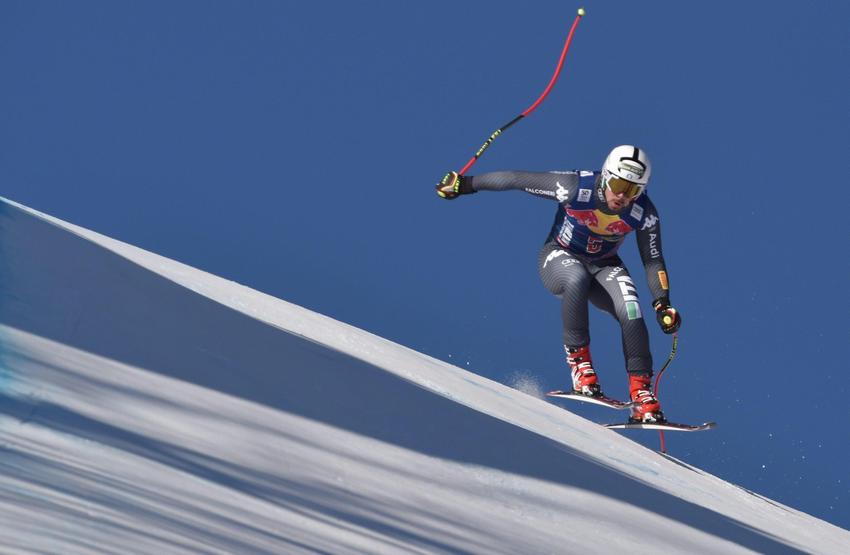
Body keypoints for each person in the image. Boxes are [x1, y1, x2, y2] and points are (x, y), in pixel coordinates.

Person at [435, 145, 681, 423]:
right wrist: (466, 184)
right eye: (619, 184)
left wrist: (663, 302)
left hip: (604, 265)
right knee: (575, 276)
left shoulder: (644, 213)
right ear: (606, 177)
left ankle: (642, 395)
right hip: (559, 255)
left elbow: (653, 260)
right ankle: (581, 367)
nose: (623, 195)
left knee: (632, 309)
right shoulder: (575, 187)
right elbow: (518, 179)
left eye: (633, 189)